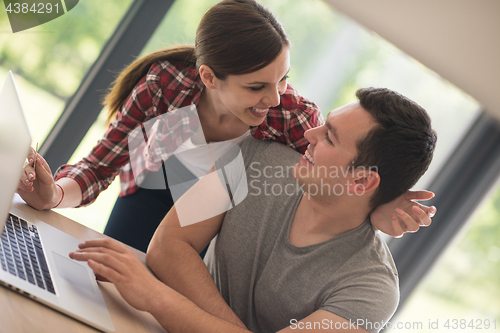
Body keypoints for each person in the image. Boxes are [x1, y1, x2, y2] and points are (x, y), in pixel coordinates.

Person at [17, 0, 434, 252]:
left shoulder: (290, 116)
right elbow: (99, 168)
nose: (274, 97)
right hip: (149, 192)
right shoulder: (166, 87)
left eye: (284, 78)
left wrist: (380, 208)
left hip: (217, 222)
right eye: (256, 86)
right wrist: (52, 194)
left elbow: (334, 183)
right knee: (105, 278)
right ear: (209, 77)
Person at [68, 87, 438, 333]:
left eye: (329, 137)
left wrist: (155, 295)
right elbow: (168, 244)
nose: (309, 135)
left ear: (361, 183)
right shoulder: (258, 160)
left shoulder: (370, 291)